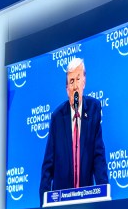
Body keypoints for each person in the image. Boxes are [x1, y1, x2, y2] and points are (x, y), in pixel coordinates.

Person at [38, 56, 108, 199]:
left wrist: (104, 198)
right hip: (62, 198)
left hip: (86, 197)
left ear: (84, 81)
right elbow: (48, 165)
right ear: (67, 89)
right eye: (71, 81)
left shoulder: (94, 109)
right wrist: (43, 207)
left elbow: (98, 158)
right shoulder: (57, 117)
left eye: (78, 79)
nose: (75, 85)